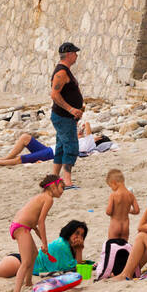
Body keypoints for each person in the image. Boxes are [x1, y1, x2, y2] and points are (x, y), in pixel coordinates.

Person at [8, 175, 64, 292]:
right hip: (21, 228)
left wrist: (43, 241)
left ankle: (28, 283)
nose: (63, 190)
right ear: (53, 186)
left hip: (20, 227)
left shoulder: (41, 197)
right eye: (62, 187)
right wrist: (44, 243)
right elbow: (41, 222)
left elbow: (34, 224)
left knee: (34, 254)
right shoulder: (48, 199)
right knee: (26, 261)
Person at [50, 42, 84, 189]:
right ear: (69, 54)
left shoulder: (65, 71)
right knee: (71, 147)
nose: (76, 56)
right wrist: (71, 109)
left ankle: (54, 179)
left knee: (61, 147)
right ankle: (67, 181)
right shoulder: (61, 73)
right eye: (75, 53)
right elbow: (54, 94)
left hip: (64, 117)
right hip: (63, 117)